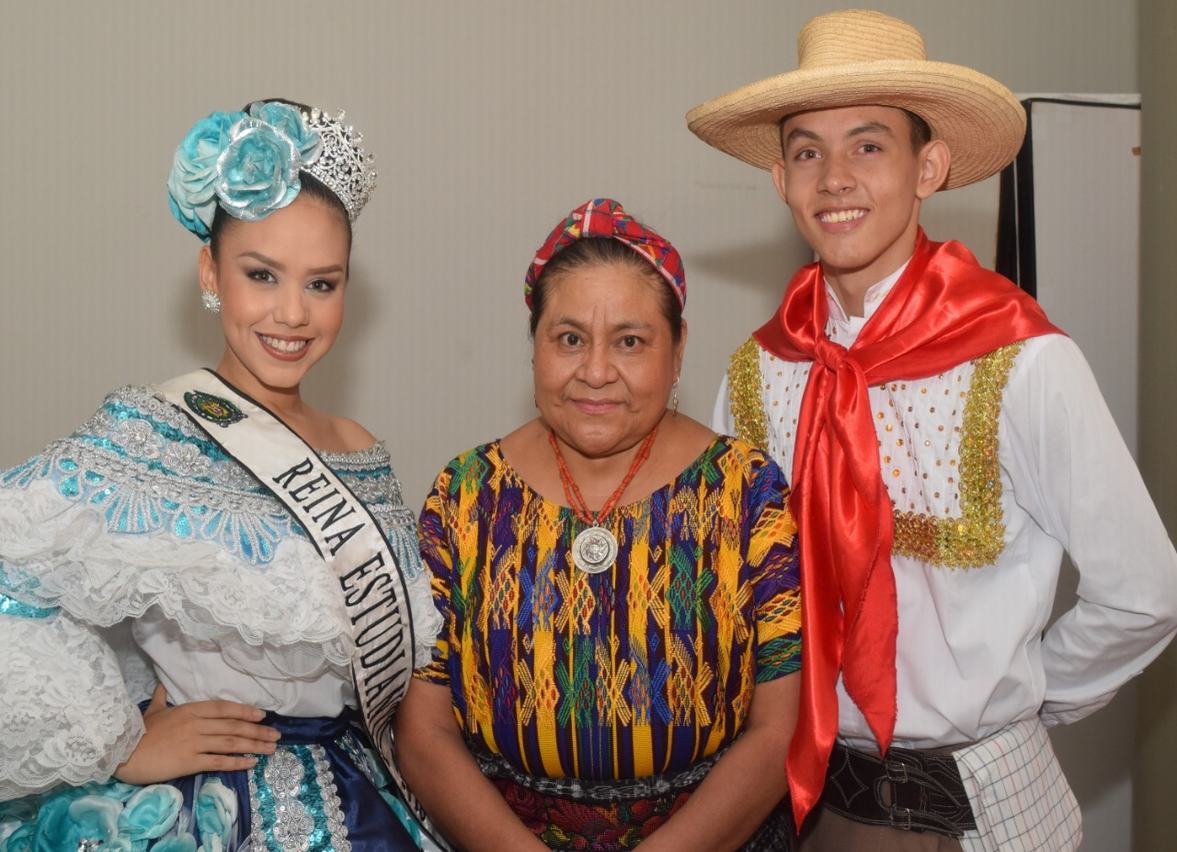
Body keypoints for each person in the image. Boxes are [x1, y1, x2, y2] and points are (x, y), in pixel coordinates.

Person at [686, 9, 1177, 852]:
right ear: (780, 180)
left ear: (930, 167)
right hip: (809, 800)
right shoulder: (757, 372)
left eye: (868, 145)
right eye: (807, 150)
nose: (834, 176)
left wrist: (1023, 698)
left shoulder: (1021, 360)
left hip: (972, 804)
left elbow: (1143, 590)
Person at [0, 99, 442, 850]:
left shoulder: (360, 447)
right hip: (200, 813)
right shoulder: (150, 434)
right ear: (211, 272)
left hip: (359, 799)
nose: (292, 313)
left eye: (321, 284)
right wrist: (122, 744)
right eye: (262, 274)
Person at [393, 198, 803, 851]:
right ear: (534, 345)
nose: (595, 372)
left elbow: (782, 727)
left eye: (630, 342)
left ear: (677, 350)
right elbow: (423, 732)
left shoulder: (745, 489)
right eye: (569, 338)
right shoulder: (464, 494)